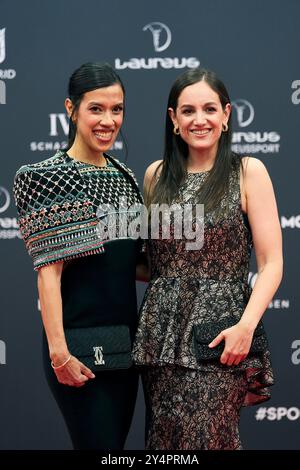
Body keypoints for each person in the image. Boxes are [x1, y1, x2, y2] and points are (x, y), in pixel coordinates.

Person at [133, 68, 283, 450]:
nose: (199, 120)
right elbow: (155, 263)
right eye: (188, 111)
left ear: (226, 114)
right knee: (164, 441)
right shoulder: (156, 175)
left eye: (209, 109)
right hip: (161, 339)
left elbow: (271, 263)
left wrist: (246, 328)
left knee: (210, 439)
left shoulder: (248, 172)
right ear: (173, 119)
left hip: (220, 336)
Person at [13, 62, 144, 450]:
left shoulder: (125, 176)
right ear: (71, 109)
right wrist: (59, 354)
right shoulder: (47, 176)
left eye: (116, 109)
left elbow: (126, 264)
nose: (108, 120)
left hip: (124, 345)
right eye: (96, 109)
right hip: (76, 347)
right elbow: (48, 274)